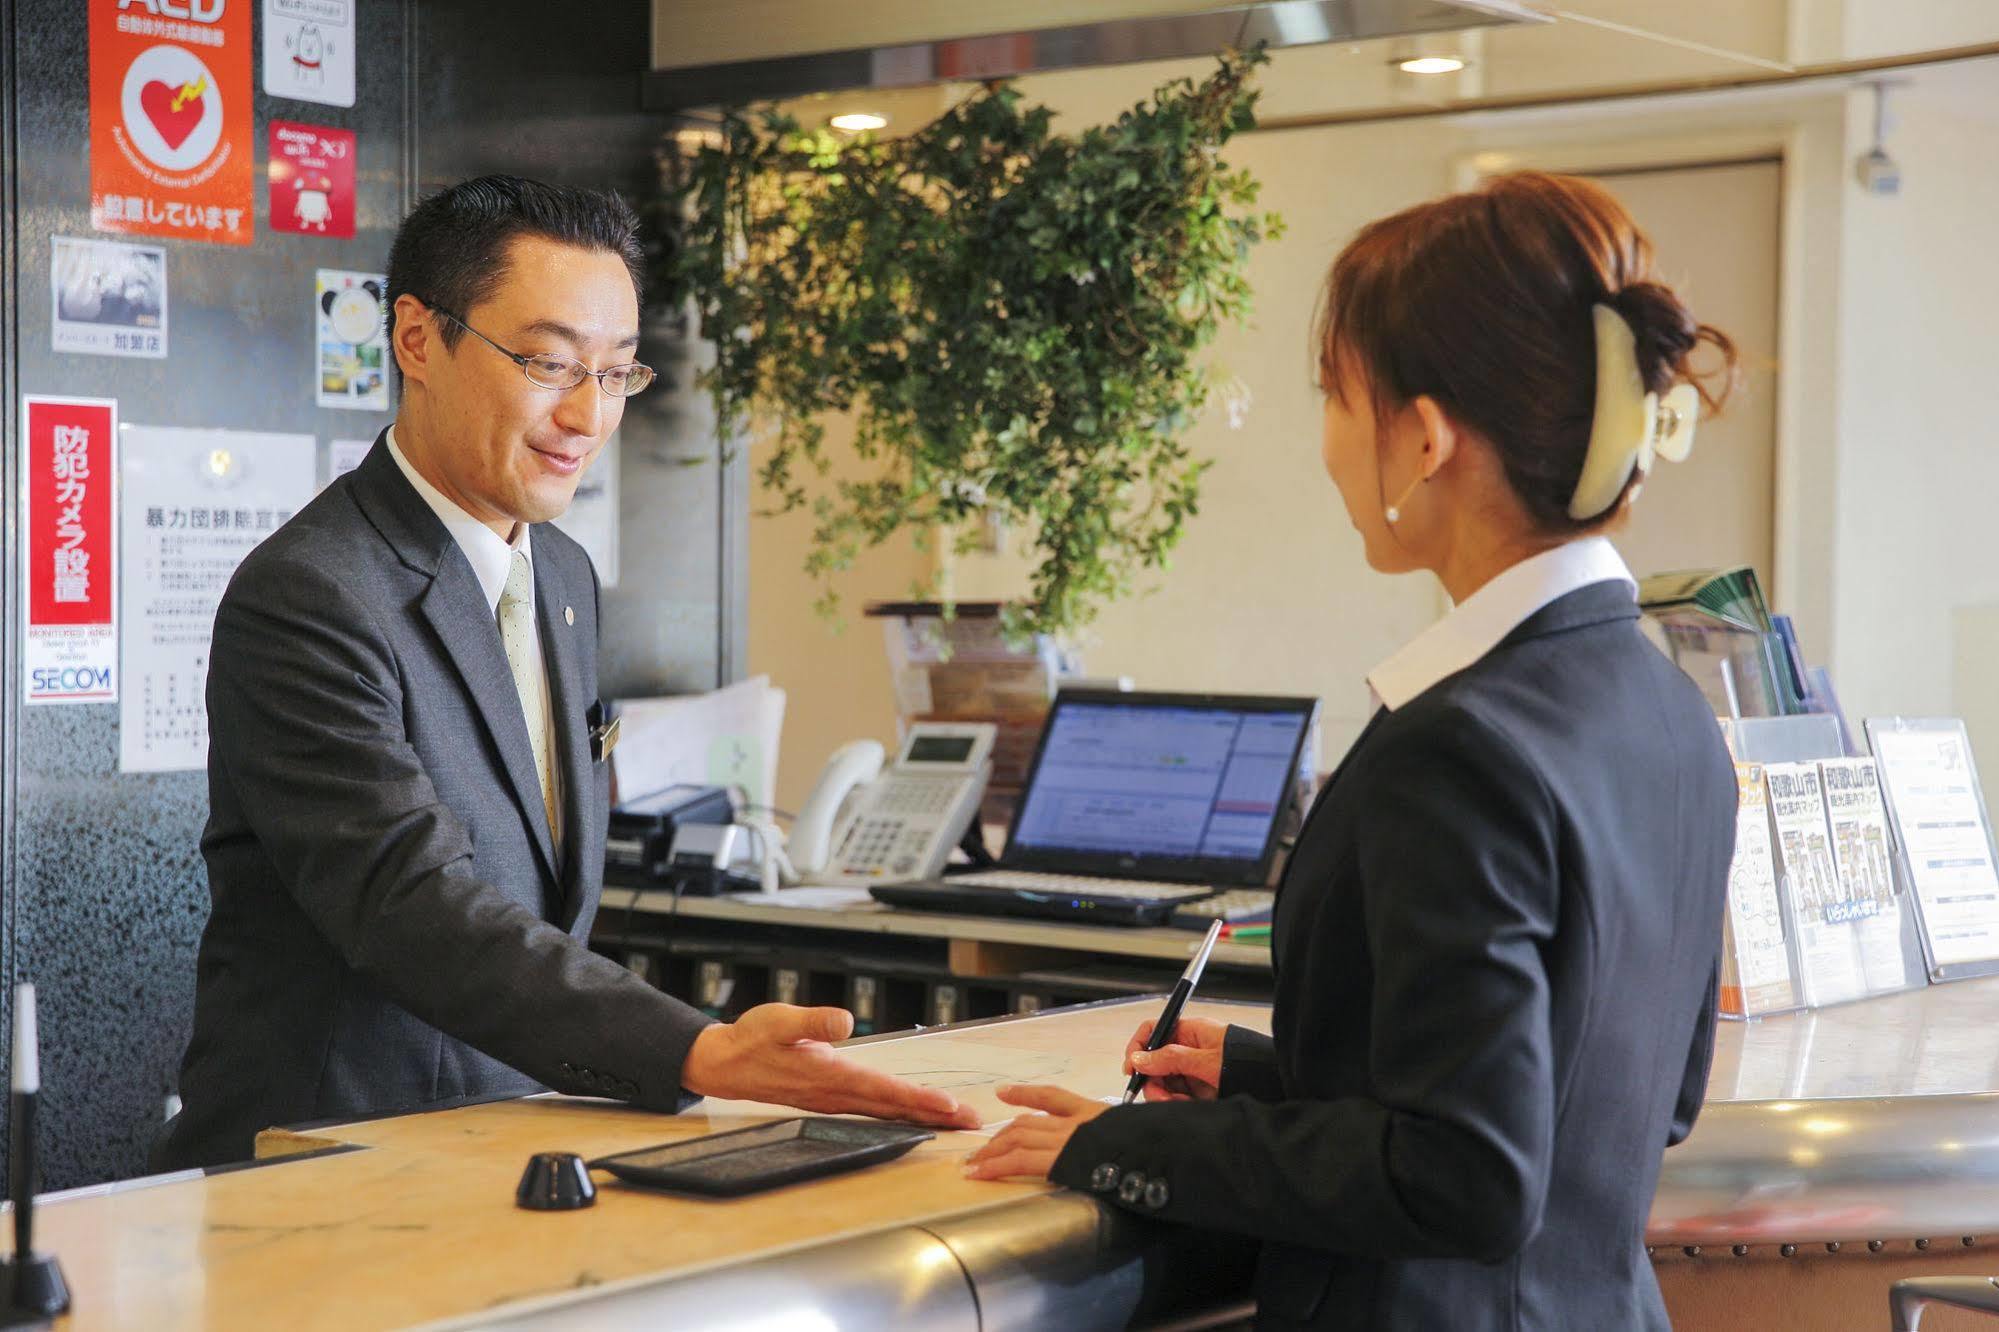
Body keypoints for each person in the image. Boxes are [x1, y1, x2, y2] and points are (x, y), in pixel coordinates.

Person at [964, 171, 1742, 1330]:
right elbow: (1618, 1102)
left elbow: (1463, 1179)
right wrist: (1269, 1079)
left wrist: (1131, 1144)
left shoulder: (1463, 748)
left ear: (1423, 437)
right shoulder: (1670, 711)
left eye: (1336, 397)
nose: (1329, 444)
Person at [154, 176, 976, 1171]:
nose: (587, 415)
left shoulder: (564, 578)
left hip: (507, 1141)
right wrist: (697, 1050)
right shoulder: (311, 593)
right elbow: (409, 902)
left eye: (618, 374)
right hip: (324, 1157)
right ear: (417, 340)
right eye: (548, 363)